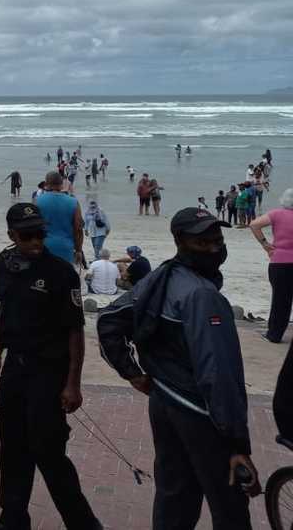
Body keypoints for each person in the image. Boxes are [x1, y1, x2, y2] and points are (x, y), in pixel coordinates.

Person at [115, 207, 260, 528]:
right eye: (203, 242)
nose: (213, 248)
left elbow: (110, 321)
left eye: (218, 240)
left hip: (165, 401)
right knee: (230, 505)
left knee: (175, 495)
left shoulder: (160, 277)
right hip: (201, 413)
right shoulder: (202, 296)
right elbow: (219, 375)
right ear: (180, 240)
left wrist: (134, 372)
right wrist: (238, 444)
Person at [0, 202, 102, 530]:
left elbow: (75, 330)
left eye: (40, 235)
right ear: (11, 235)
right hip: (15, 370)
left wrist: (73, 383)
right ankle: (13, 520)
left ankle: (85, 525)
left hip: (49, 372)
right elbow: (5, 310)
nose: (36, 242)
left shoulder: (61, 273)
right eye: (27, 236)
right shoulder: (5, 263)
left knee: (48, 454)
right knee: (12, 448)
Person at [250, 188, 293, 343]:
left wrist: (265, 245)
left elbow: (254, 225)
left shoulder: (276, 214)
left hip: (280, 262)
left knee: (280, 300)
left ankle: (274, 335)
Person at [35, 171, 83, 264]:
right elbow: (78, 229)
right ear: (61, 184)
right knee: (63, 276)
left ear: (46, 184)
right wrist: (78, 250)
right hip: (66, 247)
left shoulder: (37, 201)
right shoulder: (73, 202)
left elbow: (34, 226)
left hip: (44, 246)